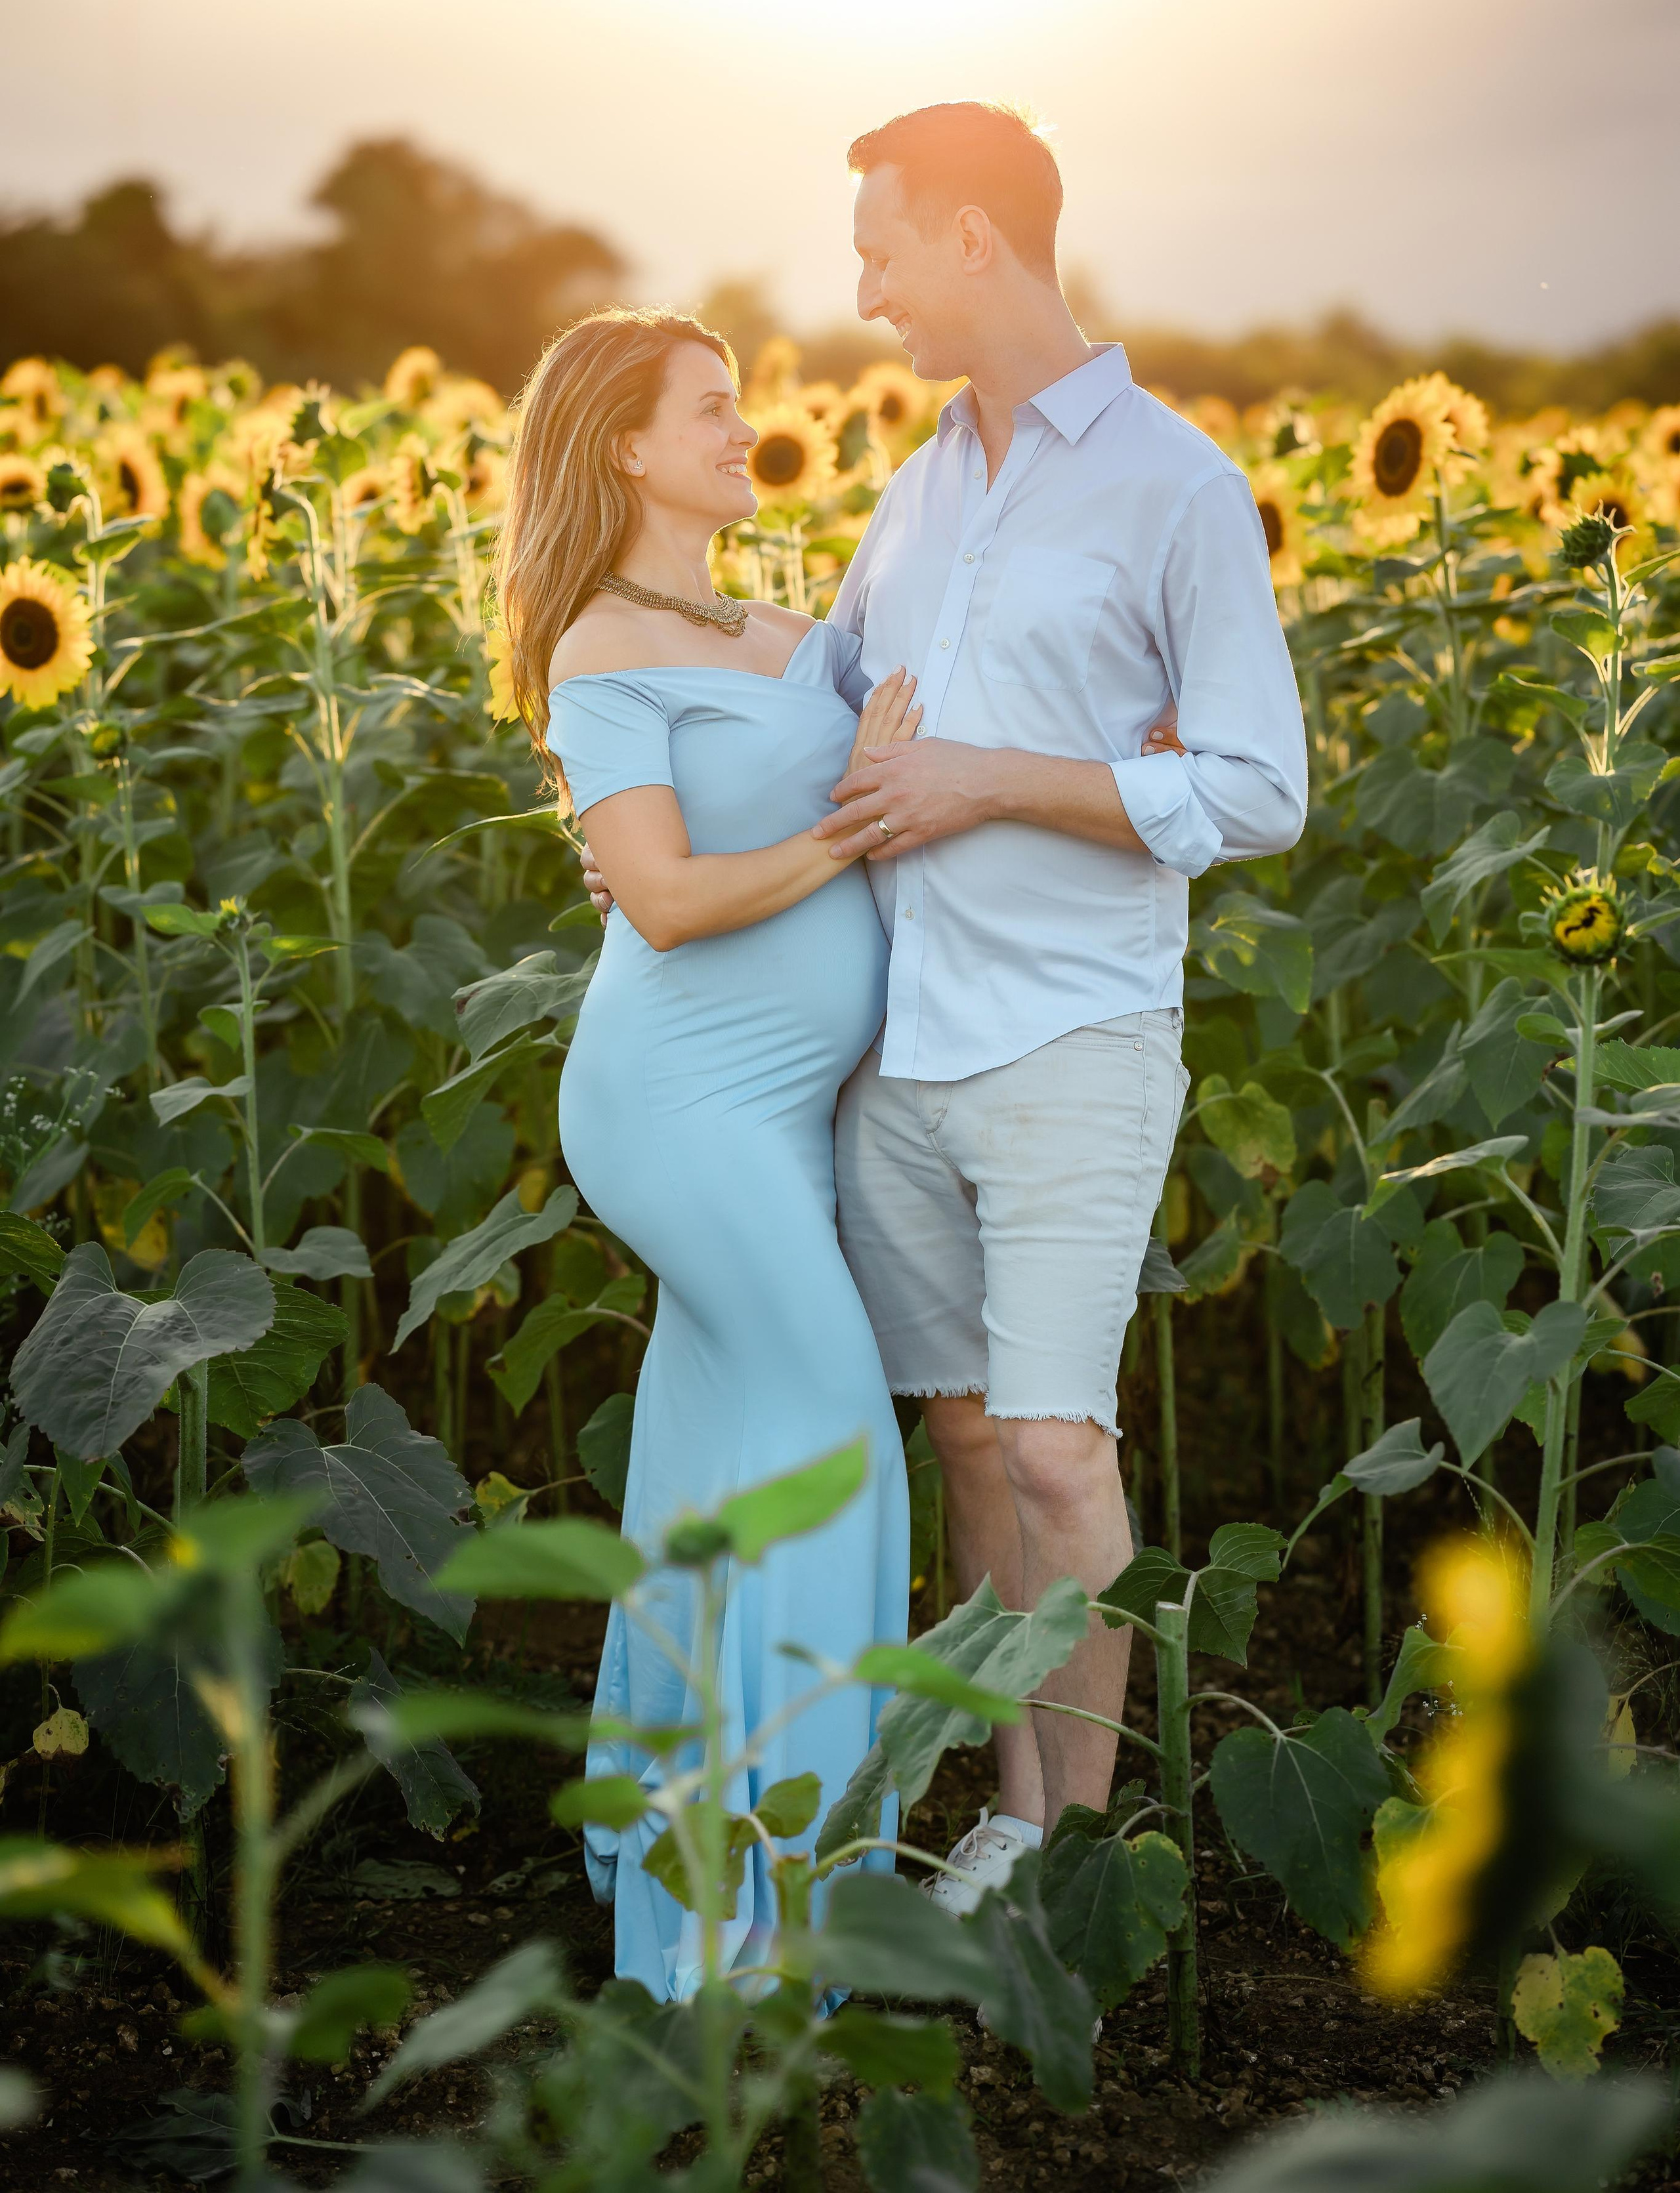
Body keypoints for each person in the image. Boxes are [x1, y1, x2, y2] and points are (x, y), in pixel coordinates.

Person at [815, 102, 1309, 1902]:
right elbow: (837, 695)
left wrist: (1001, 779)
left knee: (1053, 1444)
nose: (862, 293)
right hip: (901, 1040)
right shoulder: (919, 481)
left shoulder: (1174, 484)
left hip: (1071, 1035)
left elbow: (1262, 787)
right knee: (962, 1435)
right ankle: (1012, 1810)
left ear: (969, 239)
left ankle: (1076, 1848)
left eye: (878, 249)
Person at [492, 307, 917, 2002]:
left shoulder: (792, 631)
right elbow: (661, 902)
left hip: (786, 1118)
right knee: (834, 1446)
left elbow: (931, 724)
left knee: (709, 1482)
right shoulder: (600, 649)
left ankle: (664, 1890)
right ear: (624, 446)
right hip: (677, 1106)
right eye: (714, 410)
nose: (751, 431)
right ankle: (774, 1920)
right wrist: (846, 821)